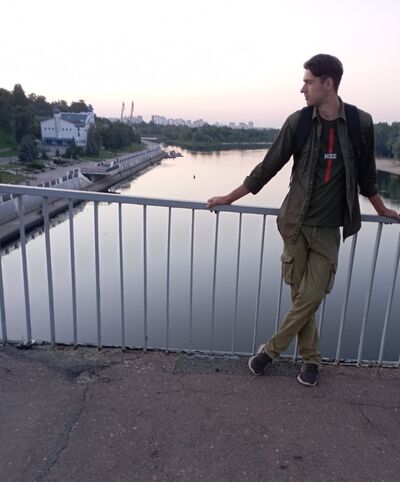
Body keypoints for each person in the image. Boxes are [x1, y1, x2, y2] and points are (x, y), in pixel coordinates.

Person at [206, 54, 400, 387]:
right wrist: (229, 197)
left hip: (328, 230)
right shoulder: (298, 122)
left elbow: (367, 176)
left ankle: (270, 351)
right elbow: (267, 168)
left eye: (308, 82)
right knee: (302, 299)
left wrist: (381, 208)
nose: (303, 89)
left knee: (310, 297)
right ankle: (311, 361)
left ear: (328, 83)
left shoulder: (360, 123)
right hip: (294, 225)